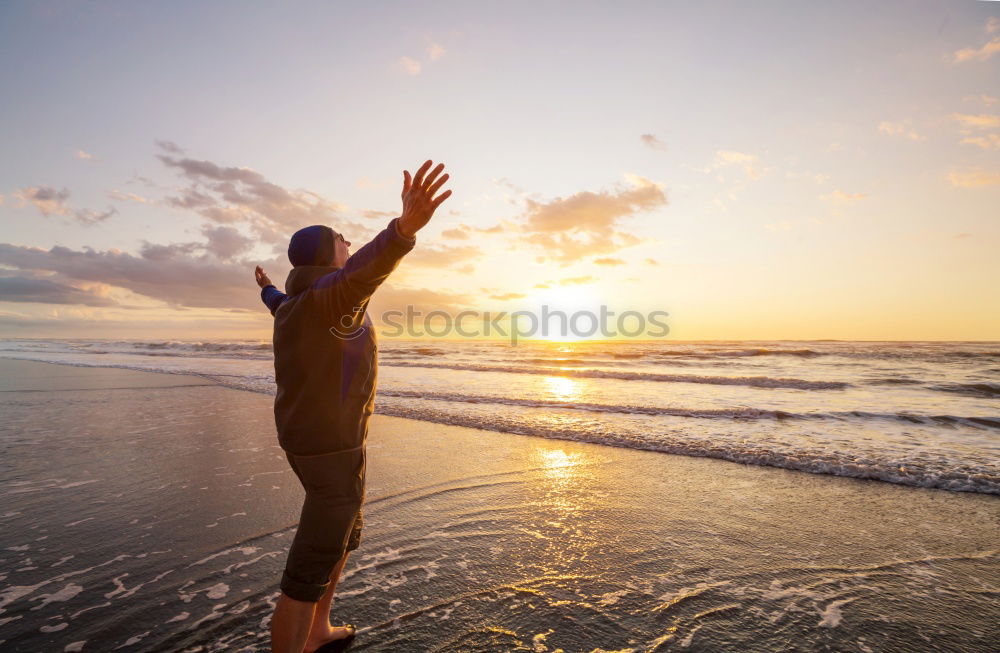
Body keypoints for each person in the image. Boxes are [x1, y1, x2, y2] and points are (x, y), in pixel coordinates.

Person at [253, 160, 451, 653]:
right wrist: (403, 229)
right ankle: (304, 628)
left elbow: (278, 296)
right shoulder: (332, 297)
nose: (347, 241)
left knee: (340, 538)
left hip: (315, 441)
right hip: (331, 448)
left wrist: (264, 287)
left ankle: (319, 631)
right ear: (328, 253)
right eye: (341, 236)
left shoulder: (294, 303)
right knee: (310, 565)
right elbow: (370, 267)